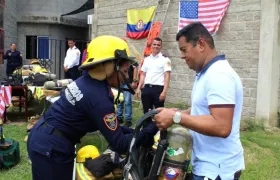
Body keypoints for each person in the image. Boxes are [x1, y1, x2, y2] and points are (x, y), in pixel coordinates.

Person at [27, 35, 158, 180]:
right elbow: (119, 143)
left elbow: (112, 130)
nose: (125, 77)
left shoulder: (87, 82)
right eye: (125, 70)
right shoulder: (99, 98)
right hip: (52, 148)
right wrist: (150, 132)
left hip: (43, 138)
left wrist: (137, 131)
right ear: (110, 67)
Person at [153, 22, 245, 180]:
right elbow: (204, 109)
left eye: (184, 49)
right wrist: (178, 113)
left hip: (216, 170)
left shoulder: (219, 75)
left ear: (201, 44)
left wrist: (177, 118)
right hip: (207, 165)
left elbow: (222, 126)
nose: (182, 56)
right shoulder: (206, 73)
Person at [135, 37, 171, 114]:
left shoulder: (165, 59)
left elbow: (167, 76)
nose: (156, 46)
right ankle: (147, 126)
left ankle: (158, 126)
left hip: (158, 90)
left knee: (159, 113)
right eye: (154, 44)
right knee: (146, 113)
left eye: (158, 45)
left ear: (161, 46)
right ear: (151, 45)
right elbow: (143, 75)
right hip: (146, 89)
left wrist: (164, 92)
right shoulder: (147, 59)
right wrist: (138, 88)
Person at [116, 62, 138, 127]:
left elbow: (136, 67)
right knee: (119, 101)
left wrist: (134, 81)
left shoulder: (129, 58)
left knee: (127, 101)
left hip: (127, 83)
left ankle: (128, 120)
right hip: (119, 82)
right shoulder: (119, 58)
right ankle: (119, 118)